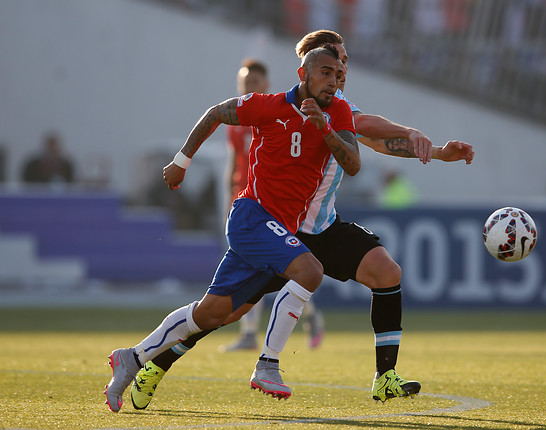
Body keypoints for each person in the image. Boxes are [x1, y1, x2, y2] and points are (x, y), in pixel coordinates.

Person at [129, 29, 474, 410]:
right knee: (224, 313)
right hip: (285, 229)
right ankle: (157, 363)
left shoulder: (338, 105)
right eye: (334, 61)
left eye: (344, 61)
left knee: (386, 272)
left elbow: (372, 138)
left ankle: (384, 377)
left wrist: (438, 152)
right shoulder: (299, 106)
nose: (342, 67)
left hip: (323, 226)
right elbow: (371, 128)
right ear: (308, 68)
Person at [104, 44, 360, 413]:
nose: (333, 82)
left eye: (338, 75)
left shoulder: (339, 113)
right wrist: (182, 160)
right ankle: (268, 363)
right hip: (252, 217)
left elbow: (352, 164)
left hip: (278, 229)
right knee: (310, 270)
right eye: (325, 73)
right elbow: (215, 113)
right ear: (303, 74)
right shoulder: (268, 106)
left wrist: (327, 131)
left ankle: (131, 357)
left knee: (215, 314)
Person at [221, 58, 325, 353]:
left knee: (281, 269)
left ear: (265, 85)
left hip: (271, 206)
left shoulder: (278, 114)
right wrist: (232, 192)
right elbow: (234, 162)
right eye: (244, 83)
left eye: (253, 83)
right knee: (257, 268)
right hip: (245, 203)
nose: (248, 88)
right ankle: (250, 333)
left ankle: (309, 313)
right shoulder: (238, 121)